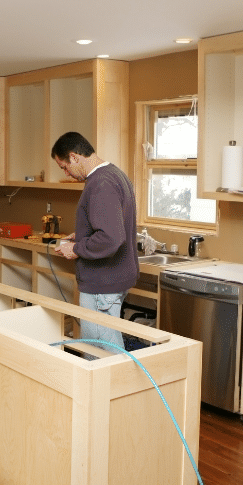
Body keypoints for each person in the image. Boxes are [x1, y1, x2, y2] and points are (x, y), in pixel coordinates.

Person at [51, 131, 138, 356]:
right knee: (104, 348)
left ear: (75, 157)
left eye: (64, 166)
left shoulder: (100, 184)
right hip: (113, 278)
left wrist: (77, 248)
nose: (66, 173)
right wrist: (80, 236)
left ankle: (116, 391)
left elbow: (111, 237)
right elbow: (110, 226)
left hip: (102, 284)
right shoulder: (115, 174)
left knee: (101, 353)